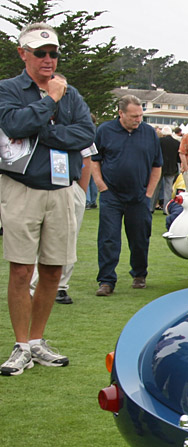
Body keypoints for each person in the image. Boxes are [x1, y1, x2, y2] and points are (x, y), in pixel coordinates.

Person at [0, 23, 94, 375]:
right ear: (23, 53)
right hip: (22, 188)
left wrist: (47, 131)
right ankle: (21, 345)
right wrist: (51, 100)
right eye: (40, 53)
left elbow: (86, 133)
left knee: (53, 269)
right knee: (22, 269)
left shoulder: (72, 93)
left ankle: (37, 342)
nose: (48, 59)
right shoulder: (8, 89)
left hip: (61, 189)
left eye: (53, 53)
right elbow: (15, 126)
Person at [93, 94, 162, 295]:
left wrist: (149, 193)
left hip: (139, 196)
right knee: (108, 239)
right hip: (111, 195)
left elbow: (157, 165)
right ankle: (106, 281)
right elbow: (94, 159)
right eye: (134, 116)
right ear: (120, 113)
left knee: (140, 238)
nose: (138, 120)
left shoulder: (149, 133)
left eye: (140, 116)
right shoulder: (104, 130)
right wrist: (100, 185)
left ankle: (139, 274)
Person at [30, 144, 94, 304]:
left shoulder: (77, 123)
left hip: (68, 186)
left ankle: (60, 286)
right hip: (35, 185)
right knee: (33, 237)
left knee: (67, 239)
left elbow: (86, 157)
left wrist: (80, 191)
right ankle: (32, 286)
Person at [155, 127, 180, 211]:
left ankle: (151, 207)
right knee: (168, 189)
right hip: (171, 167)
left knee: (156, 187)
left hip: (159, 166)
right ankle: (166, 208)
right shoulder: (176, 143)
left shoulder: (158, 141)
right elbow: (178, 158)